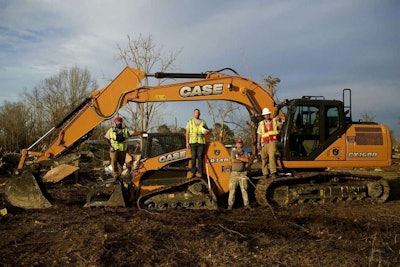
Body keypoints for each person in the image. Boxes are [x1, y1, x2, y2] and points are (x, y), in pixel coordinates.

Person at [257, 107, 281, 178]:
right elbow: (259, 134)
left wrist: (279, 120)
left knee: (271, 156)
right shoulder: (261, 124)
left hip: (272, 142)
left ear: (269, 114)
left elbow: (280, 126)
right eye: (265, 115)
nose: (266, 116)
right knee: (263, 158)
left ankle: (273, 172)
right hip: (264, 143)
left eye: (267, 114)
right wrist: (258, 143)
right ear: (263, 116)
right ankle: (265, 173)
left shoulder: (274, 121)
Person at [186, 108, 209, 178]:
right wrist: (187, 142)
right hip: (192, 141)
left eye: (198, 113)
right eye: (196, 113)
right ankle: (193, 172)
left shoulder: (203, 122)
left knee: (200, 157)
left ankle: (200, 172)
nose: (197, 114)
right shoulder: (190, 121)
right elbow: (187, 133)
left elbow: (207, 131)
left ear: (200, 114)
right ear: (193, 114)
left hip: (201, 142)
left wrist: (206, 132)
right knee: (193, 157)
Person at [228, 138, 250, 210]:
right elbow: (233, 160)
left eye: (241, 143)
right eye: (238, 143)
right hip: (234, 173)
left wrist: (239, 158)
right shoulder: (233, 151)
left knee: (244, 189)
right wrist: (242, 159)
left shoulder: (245, 151)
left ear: (242, 144)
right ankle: (230, 205)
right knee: (232, 190)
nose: (239, 144)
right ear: (236, 144)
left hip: (243, 173)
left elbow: (247, 160)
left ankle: (246, 205)